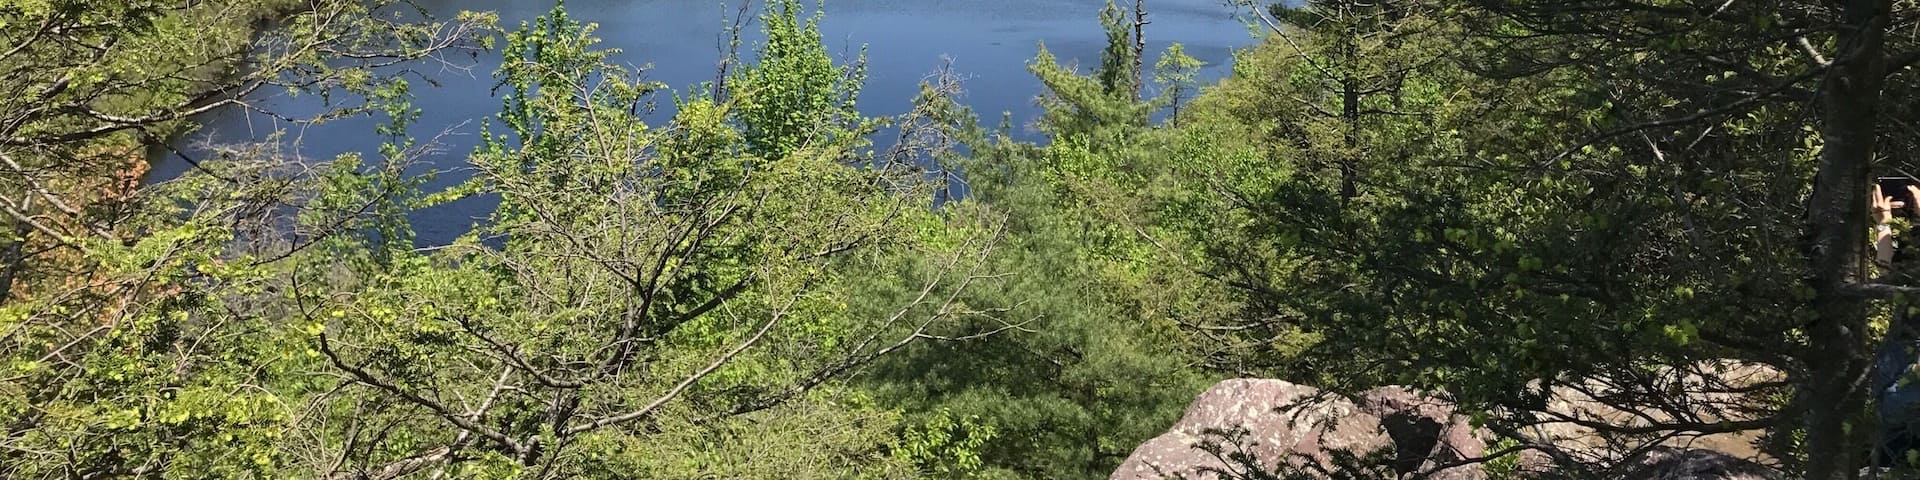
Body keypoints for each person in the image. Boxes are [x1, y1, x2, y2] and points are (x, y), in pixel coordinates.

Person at [1873, 183, 1920, 468]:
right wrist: (1883, 225)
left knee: (1898, 407)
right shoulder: (1914, 240)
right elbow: (1886, 277)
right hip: (1898, 344)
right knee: (1889, 424)